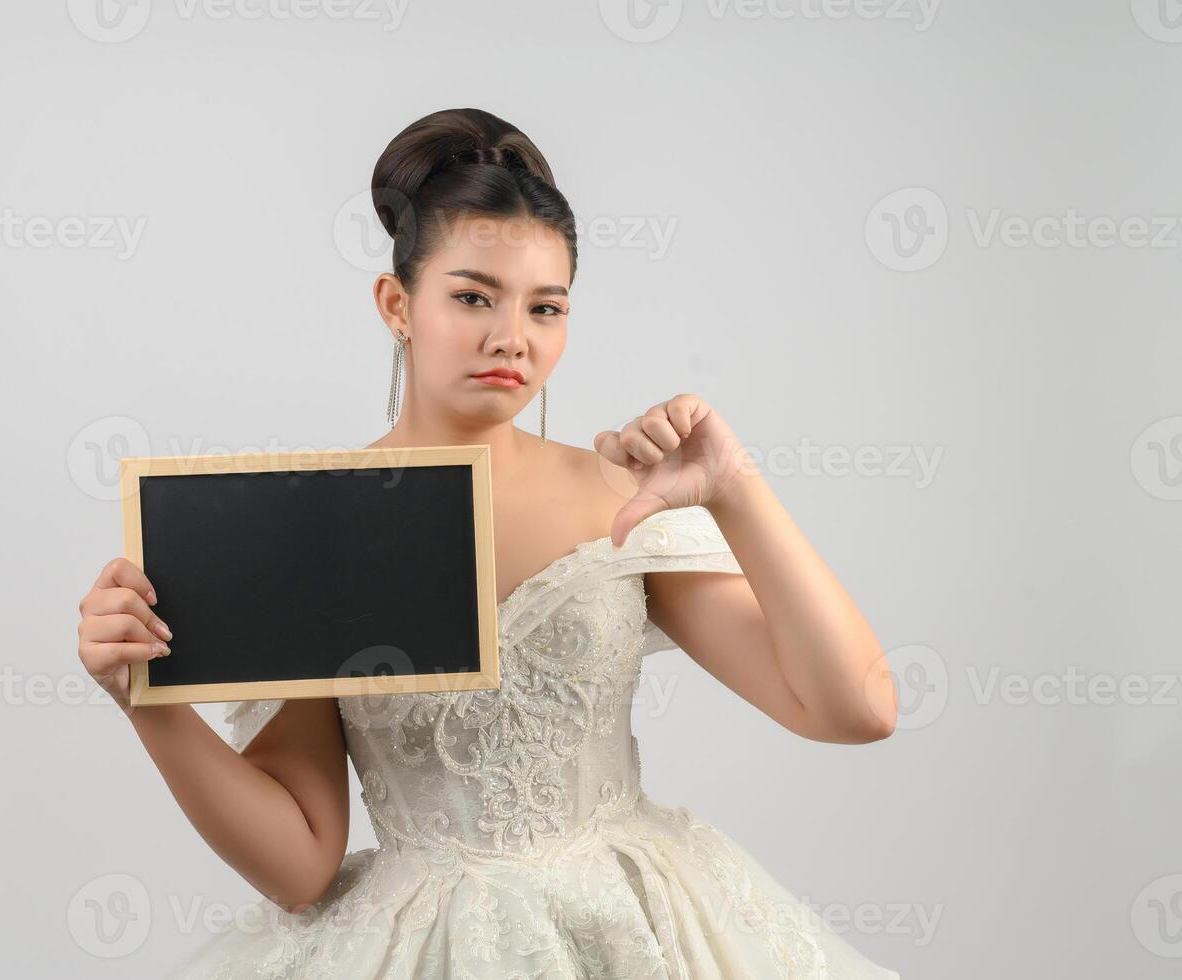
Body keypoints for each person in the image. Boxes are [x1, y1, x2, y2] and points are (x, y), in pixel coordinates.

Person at [76, 107, 901, 979]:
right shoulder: (314, 521)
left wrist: (736, 488)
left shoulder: (623, 499)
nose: (512, 336)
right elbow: (302, 862)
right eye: (472, 296)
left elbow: (856, 709)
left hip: (634, 929)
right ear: (398, 303)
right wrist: (144, 697)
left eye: (545, 307)